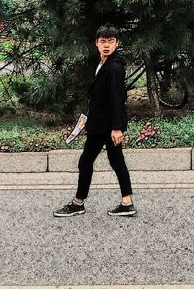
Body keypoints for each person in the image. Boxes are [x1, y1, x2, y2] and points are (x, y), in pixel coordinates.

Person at [54, 25, 135, 217]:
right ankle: (126, 202)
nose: (106, 45)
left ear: (117, 43)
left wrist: (116, 128)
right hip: (101, 122)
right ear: (96, 43)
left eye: (110, 41)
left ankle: (78, 202)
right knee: (116, 161)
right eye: (102, 41)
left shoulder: (114, 68)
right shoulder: (102, 64)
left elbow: (117, 98)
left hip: (105, 126)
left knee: (86, 161)